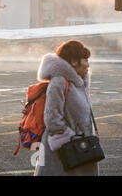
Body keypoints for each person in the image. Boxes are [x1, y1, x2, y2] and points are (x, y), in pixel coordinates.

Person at [34, 40, 99, 176]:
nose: (88, 65)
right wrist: (69, 138)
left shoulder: (79, 83)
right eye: (85, 60)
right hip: (63, 154)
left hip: (81, 150)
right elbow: (52, 118)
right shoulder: (59, 82)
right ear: (74, 61)